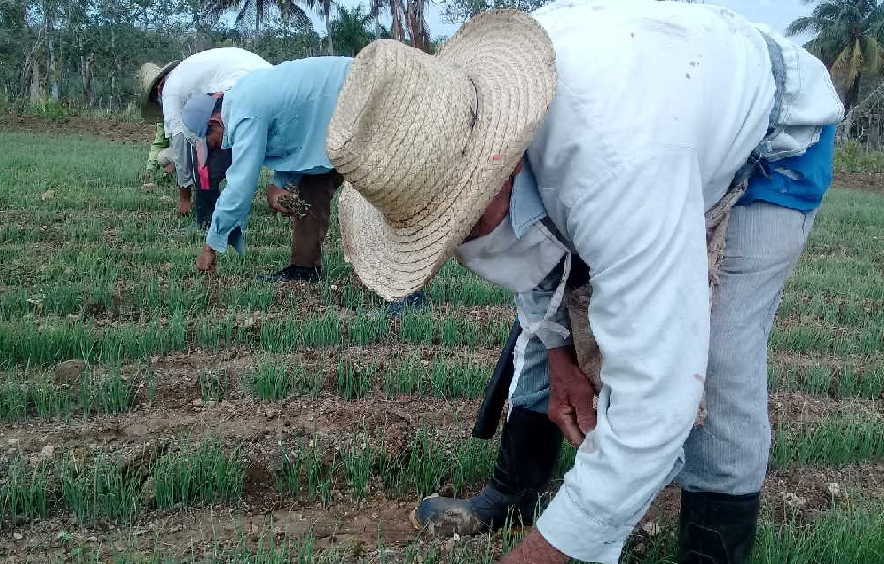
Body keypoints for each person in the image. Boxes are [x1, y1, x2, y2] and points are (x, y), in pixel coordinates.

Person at [326, 3, 843, 564]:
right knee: (551, 324)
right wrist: (558, 354)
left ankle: (710, 551)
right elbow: (529, 261)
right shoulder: (476, 115)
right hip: (658, 123)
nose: (458, 243)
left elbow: (658, 397)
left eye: (459, 219)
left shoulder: (618, 163)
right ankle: (516, 492)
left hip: (773, 142)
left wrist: (542, 556)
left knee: (717, 364)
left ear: (499, 165)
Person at [186, 57, 427, 311]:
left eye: (212, 142)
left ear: (214, 122)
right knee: (312, 186)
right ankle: (304, 268)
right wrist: (280, 183)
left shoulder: (244, 113)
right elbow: (294, 133)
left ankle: (409, 290)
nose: (217, 149)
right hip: (333, 116)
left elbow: (240, 188)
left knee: (381, 199)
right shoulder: (243, 98)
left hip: (365, 101)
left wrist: (210, 246)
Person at [139, 48, 271, 227]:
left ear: (158, 88)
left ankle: (207, 219)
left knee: (205, 157)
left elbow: (180, 143)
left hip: (242, 87)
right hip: (271, 82)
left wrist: (184, 198)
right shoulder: (191, 74)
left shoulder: (170, 89)